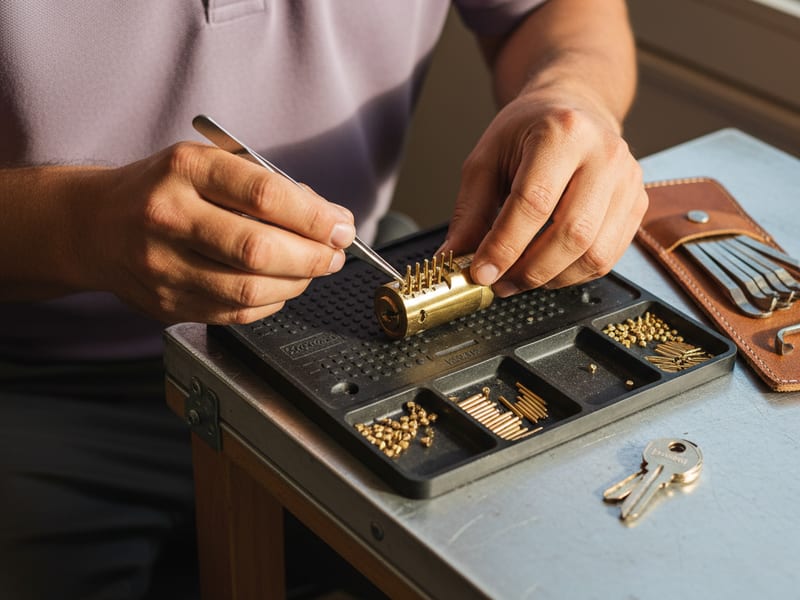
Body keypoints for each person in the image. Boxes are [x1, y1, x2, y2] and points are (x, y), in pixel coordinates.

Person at [0, 0, 646, 598]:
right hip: (38, 377)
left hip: (336, 328)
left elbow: (553, 12)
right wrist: (75, 227)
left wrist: (573, 94)